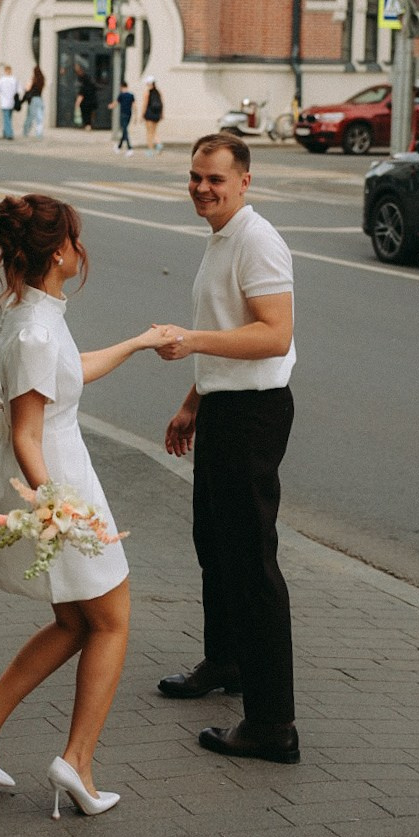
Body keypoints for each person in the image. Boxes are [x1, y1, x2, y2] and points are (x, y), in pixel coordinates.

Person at [0, 194, 174, 817]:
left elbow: (70, 372)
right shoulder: (35, 330)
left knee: (77, 622)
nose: (81, 249)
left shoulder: (36, 314)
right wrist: (57, 508)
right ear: (60, 250)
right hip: (59, 481)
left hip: (63, 475)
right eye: (76, 238)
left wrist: (140, 342)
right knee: (112, 620)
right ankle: (76, 762)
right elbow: (25, 433)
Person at [155, 133, 299, 766]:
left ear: (244, 181)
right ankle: (226, 661)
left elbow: (273, 336)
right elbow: (230, 332)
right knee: (214, 543)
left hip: (253, 414)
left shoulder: (257, 240)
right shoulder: (222, 237)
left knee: (251, 563)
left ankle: (272, 725)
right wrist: (194, 401)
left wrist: (191, 342)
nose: (202, 189)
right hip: (222, 406)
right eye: (195, 177)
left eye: (215, 179)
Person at [0, 64, 21, 140]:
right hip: (12, 102)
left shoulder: (1, 80)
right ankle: (5, 132)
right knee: (9, 118)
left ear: (5, 71)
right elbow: (19, 91)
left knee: (6, 118)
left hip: (4, 102)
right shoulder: (15, 80)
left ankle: (9, 134)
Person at [142, 76, 165, 155]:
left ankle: (150, 150)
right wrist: (162, 114)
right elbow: (162, 103)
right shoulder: (158, 92)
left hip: (149, 114)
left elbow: (145, 104)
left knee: (149, 133)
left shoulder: (147, 92)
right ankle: (159, 144)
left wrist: (142, 115)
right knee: (154, 131)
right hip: (157, 114)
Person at [22, 65, 46, 138]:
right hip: (40, 99)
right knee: (39, 118)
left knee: (30, 117)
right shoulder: (42, 79)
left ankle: (25, 132)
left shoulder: (33, 79)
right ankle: (39, 134)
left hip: (33, 100)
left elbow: (27, 89)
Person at [114, 81, 135, 156]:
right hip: (129, 114)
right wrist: (136, 116)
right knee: (124, 130)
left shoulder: (121, 95)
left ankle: (130, 148)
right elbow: (134, 105)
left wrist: (110, 106)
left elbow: (116, 103)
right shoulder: (131, 95)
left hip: (123, 114)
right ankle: (119, 146)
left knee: (125, 130)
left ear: (121, 87)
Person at [74, 65, 97, 131]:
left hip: (85, 103)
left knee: (86, 114)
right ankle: (89, 125)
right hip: (92, 102)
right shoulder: (91, 85)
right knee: (90, 114)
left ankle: (87, 125)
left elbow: (81, 95)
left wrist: (77, 104)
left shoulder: (84, 86)